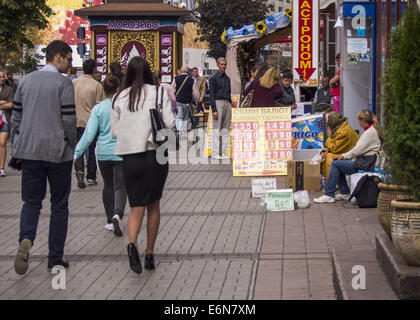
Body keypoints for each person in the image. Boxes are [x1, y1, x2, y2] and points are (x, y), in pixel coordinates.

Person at [11, 40, 76, 275]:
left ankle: (26, 238)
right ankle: (55, 258)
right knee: (59, 204)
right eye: (68, 59)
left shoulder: (25, 81)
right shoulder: (63, 83)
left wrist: (17, 145)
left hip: (29, 153)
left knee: (31, 202)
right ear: (57, 57)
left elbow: (15, 118)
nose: (69, 65)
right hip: (58, 153)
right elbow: (69, 120)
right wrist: (72, 144)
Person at [111, 56, 174, 274]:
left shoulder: (120, 97)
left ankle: (132, 244)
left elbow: (115, 131)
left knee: (135, 206)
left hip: (130, 157)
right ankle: (149, 253)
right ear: (149, 72)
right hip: (155, 155)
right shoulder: (158, 93)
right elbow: (170, 123)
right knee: (154, 206)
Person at [74, 76, 127, 237]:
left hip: (103, 153)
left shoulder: (97, 109)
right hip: (121, 152)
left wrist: (77, 153)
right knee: (120, 186)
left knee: (108, 186)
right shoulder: (123, 106)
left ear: (103, 90)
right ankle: (118, 213)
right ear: (118, 89)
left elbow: (89, 135)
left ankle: (109, 221)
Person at [314, 109, 383, 203]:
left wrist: (343, 156)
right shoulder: (370, 131)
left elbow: (356, 151)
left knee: (335, 164)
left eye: (358, 120)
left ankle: (329, 194)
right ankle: (344, 192)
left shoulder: (368, 133)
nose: (358, 122)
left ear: (362, 120)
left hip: (365, 163)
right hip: (364, 160)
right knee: (337, 163)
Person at [72, 59, 105, 188]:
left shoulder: (74, 83)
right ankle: (91, 176)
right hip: (91, 122)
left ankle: (79, 171)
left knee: (78, 148)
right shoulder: (97, 85)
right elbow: (99, 106)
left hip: (76, 121)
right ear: (93, 70)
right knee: (91, 150)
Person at [320, 112, 359, 181]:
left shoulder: (343, 132)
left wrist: (329, 137)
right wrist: (325, 150)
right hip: (346, 152)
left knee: (330, 158)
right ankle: (329, 183)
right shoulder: (339, 128)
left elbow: (335, 149)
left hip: (354, 157)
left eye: (328, 123)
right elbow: (336, 145)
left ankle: (330, 185)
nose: (328, 126)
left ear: (332, 122)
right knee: (326, 155)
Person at [209, 57, 232, 159]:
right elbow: (211, 94)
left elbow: (229, 92)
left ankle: (223, 152)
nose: (223, 66)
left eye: (225, 64)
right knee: (216, 129)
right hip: (218, 102)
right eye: (222, 64)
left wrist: (231, 103)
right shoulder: (213, 78)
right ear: (218, 65)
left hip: (227, 103)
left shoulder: (227, 78)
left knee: (225, 129)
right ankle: (215, 153)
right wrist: (214, 109)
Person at [174, 65, 194, 138]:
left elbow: (173, 88)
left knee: (179, 117)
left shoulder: (176, 79)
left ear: (181, 70)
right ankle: (184, 134)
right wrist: (196, 101)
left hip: (178, 101)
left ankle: (180, 133)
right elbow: (195, 91)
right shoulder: (191, 80)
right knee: (185, 118)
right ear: (188, 71)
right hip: (187, 102)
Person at [0, 70, 14, 176]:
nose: (2, 79)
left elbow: (11, 104)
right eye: (0, 77)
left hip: (4, 120)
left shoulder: (9, 89)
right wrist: (2, 102)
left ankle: (1, 168)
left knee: (2, 143)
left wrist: (4, 105)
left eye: (2, 77)